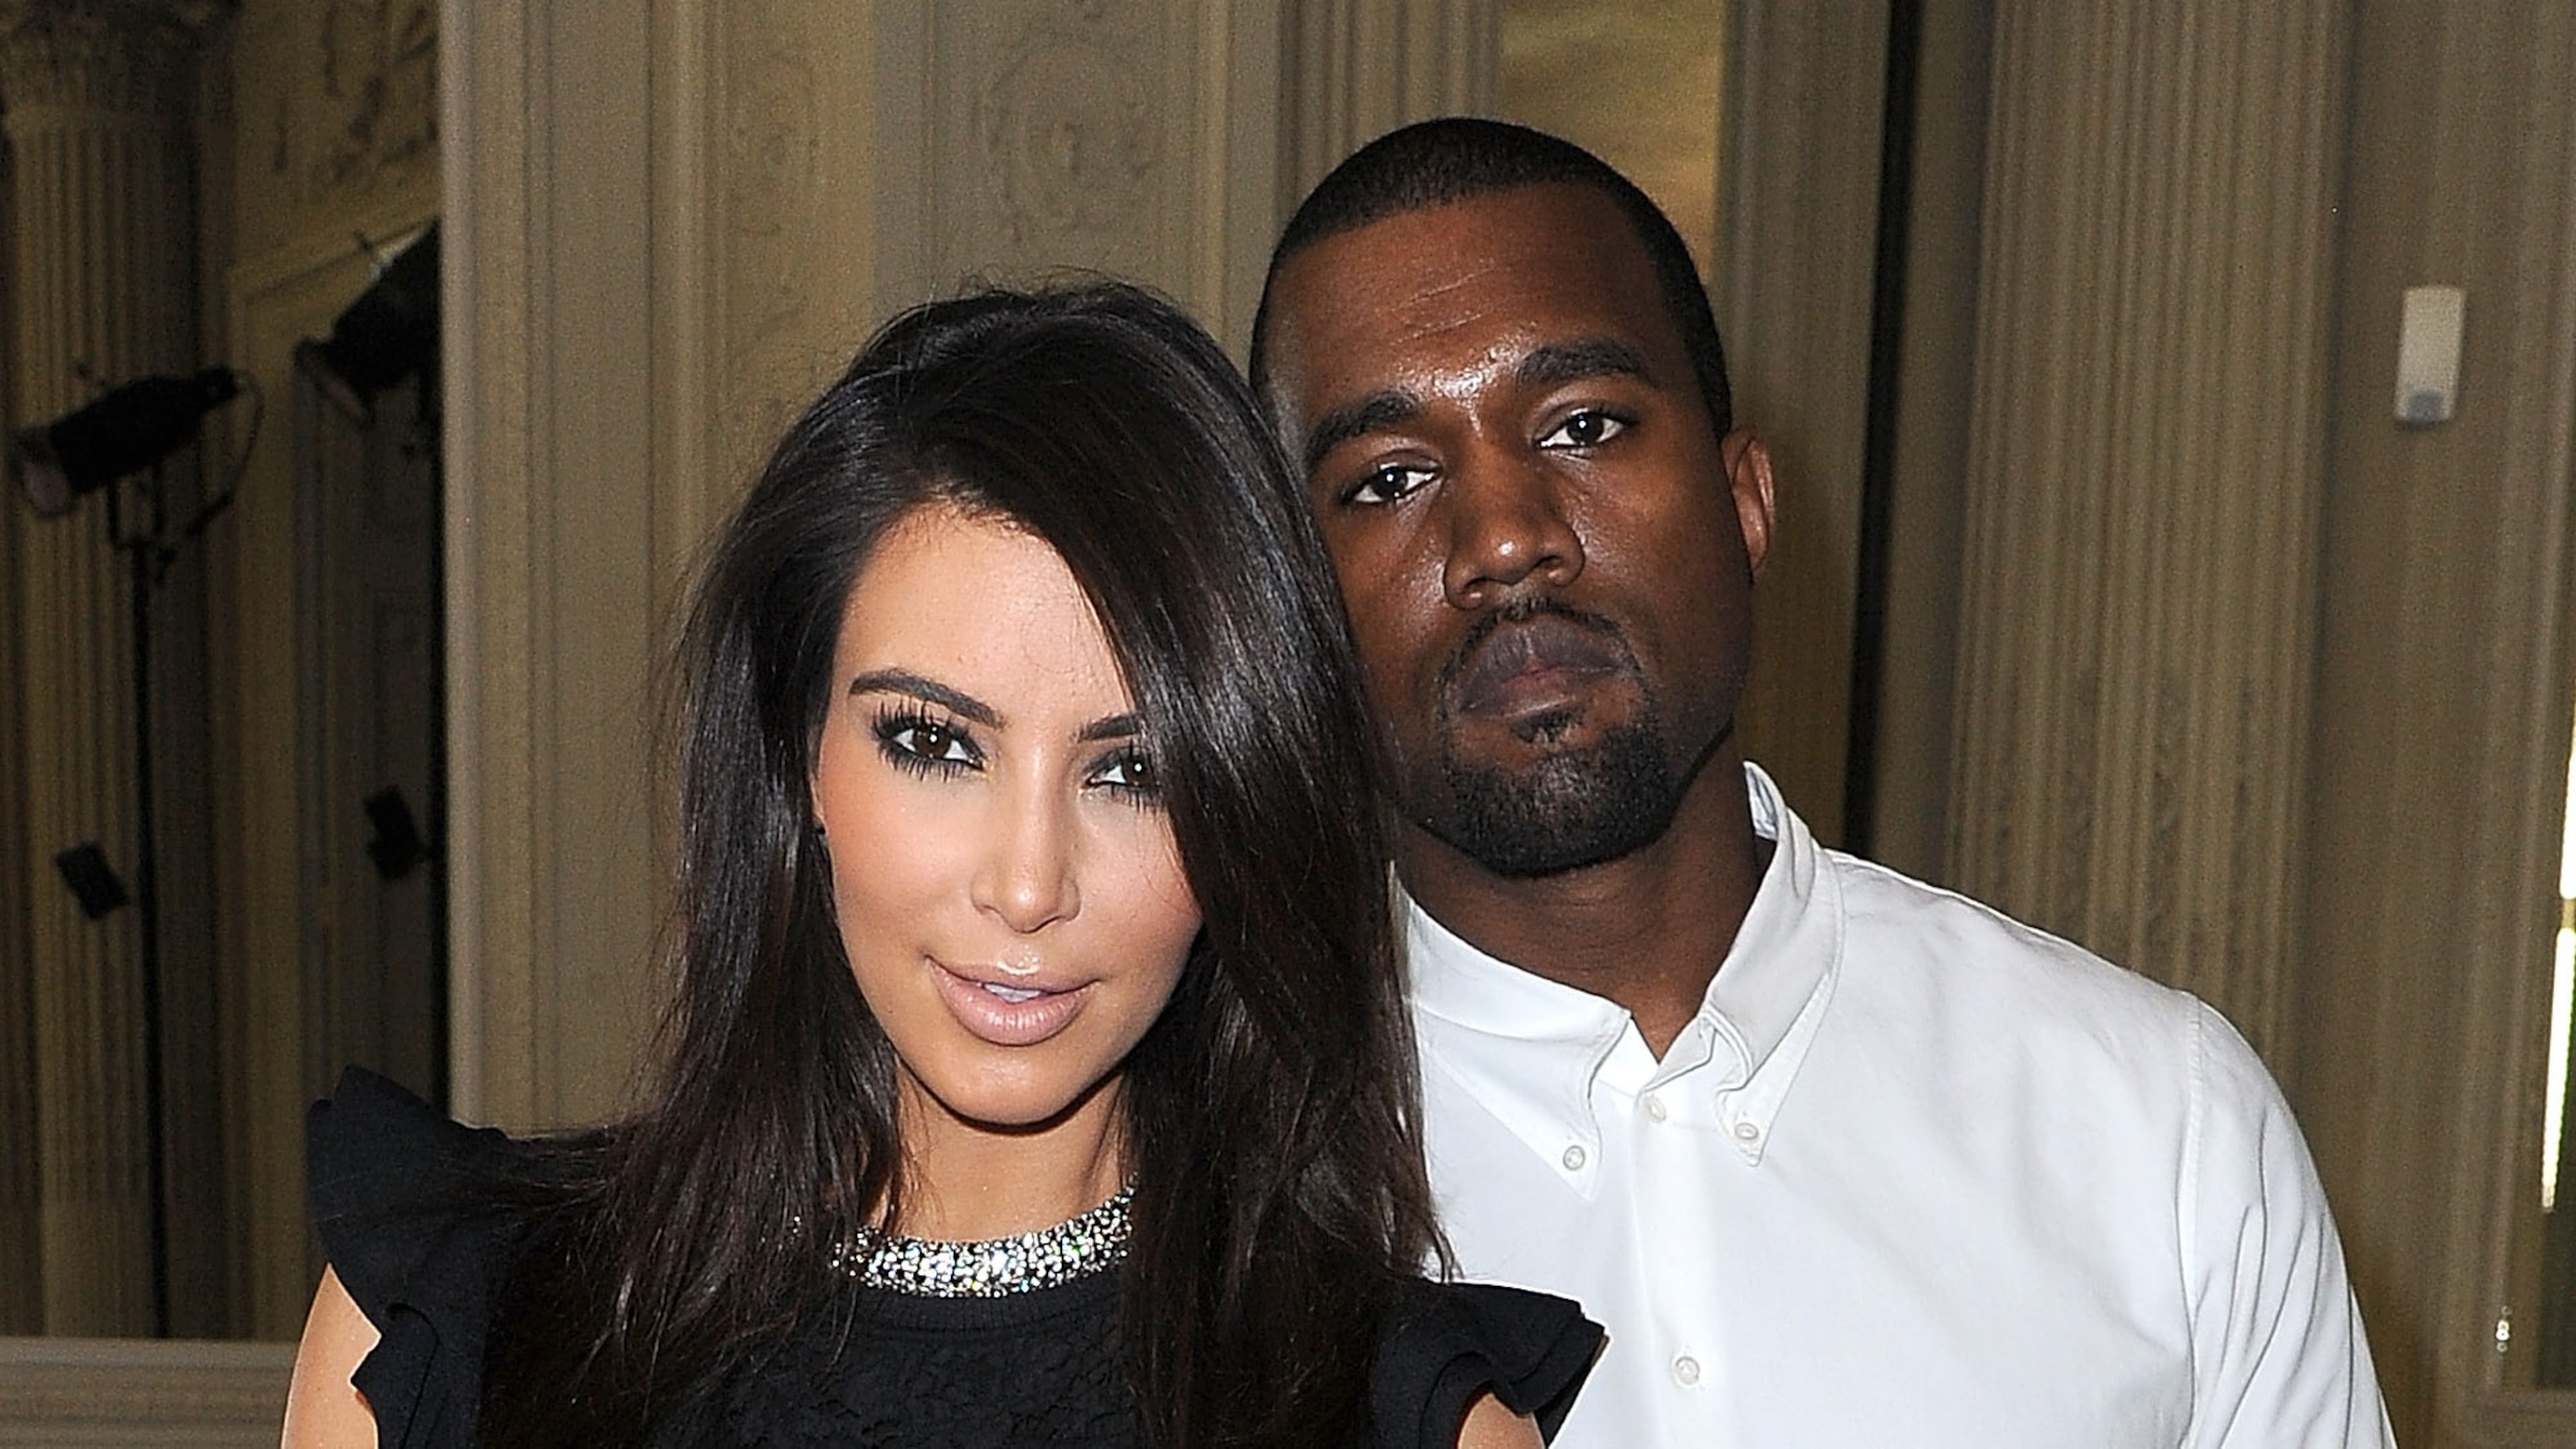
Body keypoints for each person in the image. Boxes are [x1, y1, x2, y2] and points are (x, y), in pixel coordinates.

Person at [278, 282, 1601, 1448]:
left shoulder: (1405, 1414)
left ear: (1245, 815)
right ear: (801, 750)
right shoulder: (451, 1322)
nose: (1029, 887)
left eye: (1131, 773)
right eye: (933, 743)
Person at [1248, 117, 2395, 1448]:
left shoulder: (2159, 1130)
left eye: (1585, 424)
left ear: (1745, 506)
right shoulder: (1200, 1198)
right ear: (1289, 613)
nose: (1503, 537)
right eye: (1388, 477)